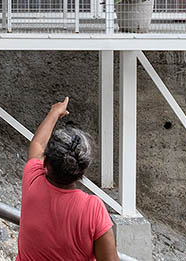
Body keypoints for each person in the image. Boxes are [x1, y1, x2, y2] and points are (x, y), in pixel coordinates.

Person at [17, 98, 118, 261]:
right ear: (81, 171)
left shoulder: (33, 180)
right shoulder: (93, 208)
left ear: (46, 162)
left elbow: (37, 144)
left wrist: (55, 112)